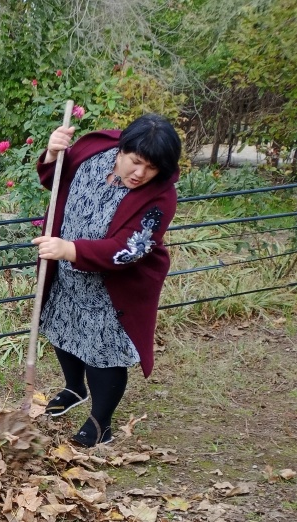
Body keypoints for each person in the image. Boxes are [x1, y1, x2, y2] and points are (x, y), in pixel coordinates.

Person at [30, 113, 182, 447]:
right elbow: (54, 181)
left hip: (113, 286)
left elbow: (131, 249)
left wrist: (69, 249)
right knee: (62, 327)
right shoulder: (93, 150)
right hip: (66, 272)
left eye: (152, 168)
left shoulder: (160, 197)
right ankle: (74, 388)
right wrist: (53, 154)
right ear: (121, 148)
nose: (140, 174)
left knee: (103, 351)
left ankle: (101, 424)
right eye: (136, 162)